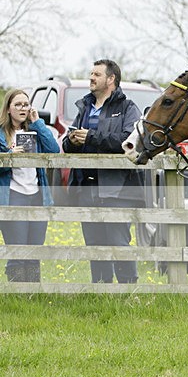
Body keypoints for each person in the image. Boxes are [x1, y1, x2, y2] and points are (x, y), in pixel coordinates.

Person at [63, 59, 144, 283]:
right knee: (93, 242)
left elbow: (129, 141)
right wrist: (72, 141)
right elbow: (67, 146)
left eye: (96, 74)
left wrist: (91, 137)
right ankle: (99, 289)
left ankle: (128, 289)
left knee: (118, 241)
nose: (91, 77)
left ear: (111, 79)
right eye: (91, 73)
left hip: (117, 189)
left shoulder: (127, 107)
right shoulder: (84, 107)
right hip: (85, 187)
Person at [0, 89, 61, 282]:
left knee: (34, 249)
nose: (22, 108)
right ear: (8, 109)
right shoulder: (1, 133)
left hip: (37, 194)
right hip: (13, 193)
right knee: (17, 249)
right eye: (17, 104)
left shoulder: (34, 130)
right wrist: (10, 157)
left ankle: (33, 293)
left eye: (25, 104)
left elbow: (54, 150)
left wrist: (38, 122)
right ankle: (17, 292)